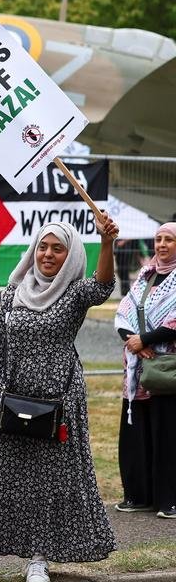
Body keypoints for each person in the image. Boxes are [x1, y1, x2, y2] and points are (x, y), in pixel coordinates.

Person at [0, 218, 120, 582]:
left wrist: (106, 243)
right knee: (1, 478)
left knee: (47, 480)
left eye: (58, 248)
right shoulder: (14, 291)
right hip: (12, 398)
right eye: (43, 246)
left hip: (59, 402)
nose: (48, 254)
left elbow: (103, 286)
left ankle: (38, 558)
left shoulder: (74, 293)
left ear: (71, 255)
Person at [114, 221, 176, 518]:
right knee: (137, 432)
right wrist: (134, 342)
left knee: (167, 434)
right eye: (158, 239)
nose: (162, 245)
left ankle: (169, 499)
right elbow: (123, 312)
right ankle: (139, 496)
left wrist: (146, 339)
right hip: (138, 371)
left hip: (166, 369)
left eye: (169, 240)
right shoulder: (145, 275)